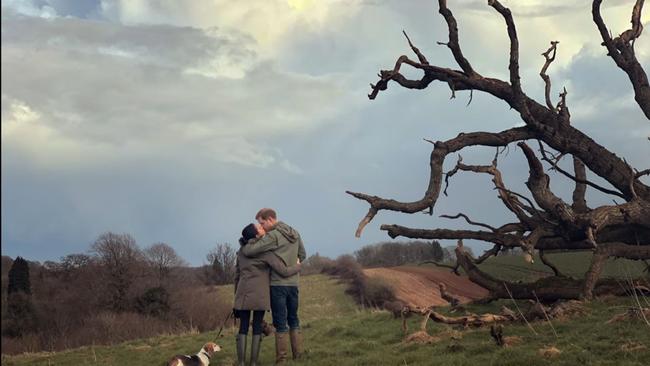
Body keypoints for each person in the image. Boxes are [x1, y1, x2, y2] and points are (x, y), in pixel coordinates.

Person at [240, 208, 306, 364]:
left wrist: (243, 244)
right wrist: (294, 263)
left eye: (262, 223)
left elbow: (250, 251)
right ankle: (299, 356)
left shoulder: (273, 236)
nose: (261, 226)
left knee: (280, 321)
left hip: (278, 284)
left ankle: (281, 359)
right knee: (294, 319)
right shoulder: (294, 233)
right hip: (293, 283)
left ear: (270, 219)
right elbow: (302, 255)